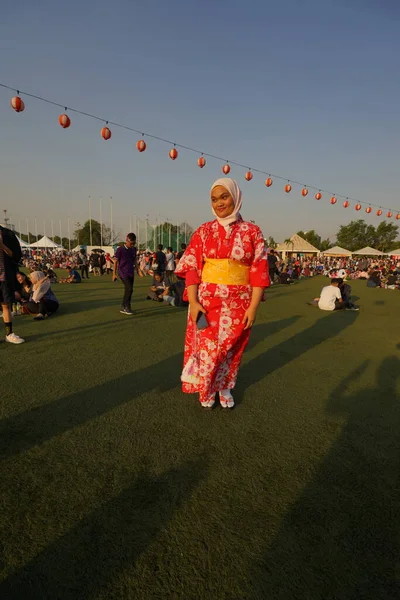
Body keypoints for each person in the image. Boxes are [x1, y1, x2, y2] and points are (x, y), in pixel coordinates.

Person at [175, 178, 269, 409]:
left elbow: (259, 271)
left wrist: (253, 307)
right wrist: (194, 301)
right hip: (206, 301)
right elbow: (192, 268)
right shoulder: (203, 231)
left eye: (224, 197)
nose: (219, 203)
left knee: (231, 348)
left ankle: (224, 386)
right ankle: (206, 388)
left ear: (235, 197)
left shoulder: (252, 232)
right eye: (214, 199)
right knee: (207, 349)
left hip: (239, 302)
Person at [0, 224, 24, 343]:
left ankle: (9, 334)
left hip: (4, 276)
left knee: (6, 305)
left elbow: (15, 256)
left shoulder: (7, 234)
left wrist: (2, 245)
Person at [113, 233, 137, 315]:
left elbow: (135, 260)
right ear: (127, 240)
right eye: (131, 243)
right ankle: (127, 306)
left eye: (134, 243)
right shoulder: (120, 249)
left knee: (129, 290)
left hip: (131, 272)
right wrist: (114, 274)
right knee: (129, 288)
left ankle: (124, 306)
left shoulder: (134, 249)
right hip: (122, 272)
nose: (132, 245)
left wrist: (139, 270)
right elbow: (115, 262)